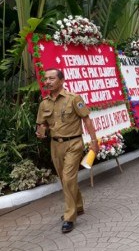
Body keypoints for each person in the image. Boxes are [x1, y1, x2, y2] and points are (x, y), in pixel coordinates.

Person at [36, 69, 98, 233]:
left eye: (52, 78)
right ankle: (78, 206)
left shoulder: (74, 98)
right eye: (46, 78)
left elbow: (87, 120)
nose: (48, 81)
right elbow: (42, 124)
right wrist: (41, 131)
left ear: (61, 80)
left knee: (68, 178)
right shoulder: (44, 103)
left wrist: (94, 142)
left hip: (73, 143)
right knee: (65, 180)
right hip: (55, 145)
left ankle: (70, 217)